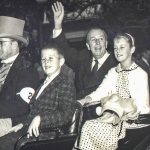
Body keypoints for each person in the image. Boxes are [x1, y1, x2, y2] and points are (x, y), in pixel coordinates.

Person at [75, 33, 150, 150]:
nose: (118, 51)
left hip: (135, 121)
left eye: (122, 47)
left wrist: (126, 113)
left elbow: (142, 106)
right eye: (115, 48)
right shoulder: (113, 72)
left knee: (90, 126)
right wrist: (85, 99)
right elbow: (101, 91)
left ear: (132, 50)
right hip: (114, 118)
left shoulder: (140, 74)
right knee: (88, 126)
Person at [0, 41, 76, 150]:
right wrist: (22, 124)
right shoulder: (42, 84)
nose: (46, 62)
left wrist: (41, 118)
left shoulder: (65, 83)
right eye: (43, 59)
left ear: (61, 61)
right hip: (29, 129)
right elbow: (34, 111)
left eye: (51, 58)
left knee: (3, 144)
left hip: (47, 134)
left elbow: (66, 115)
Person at [52, 1, 117, 100]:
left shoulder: (116, 62)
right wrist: (57, 25)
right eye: (93, 39)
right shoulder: (82, 58)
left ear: (106, 43)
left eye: (101, 39)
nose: (97, 42)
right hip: (81, 110)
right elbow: (65, 49)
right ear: (88, 46)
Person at [0, 16, 40, 137]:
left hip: (13, 122)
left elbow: (22, 105)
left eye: (1, 43)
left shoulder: (27, 68)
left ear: (14, 44)